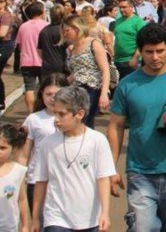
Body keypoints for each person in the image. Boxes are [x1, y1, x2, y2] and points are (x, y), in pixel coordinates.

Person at [107, 23, 166, 232]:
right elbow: (115, 126)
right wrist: (110, 169)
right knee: (142, 227)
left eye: (160, 51)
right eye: (149, 52)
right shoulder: (127, 84)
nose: (155, 57)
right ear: (140, 51)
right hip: (139, 171)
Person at [32, 86, 116, 232]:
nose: (56, 119)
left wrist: (105, 213)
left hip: (90, 218)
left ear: (80, 114)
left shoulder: (97, 140)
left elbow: (103, 178)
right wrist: (34, 218)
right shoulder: (48, 143)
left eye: (62, 114)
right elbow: (41, 181)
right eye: (54, 114)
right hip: (55, 218)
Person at [17, 74, 70, 215]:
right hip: (37, 180)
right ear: (42, 94)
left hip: (65, 181)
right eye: (49, 94)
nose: (53, 98)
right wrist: (19, 179)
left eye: (57, 94)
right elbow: (24, 154)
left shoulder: (74, 119)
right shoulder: (33, 119)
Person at [62, 15, 112, 129]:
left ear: (76, 29)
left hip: (92, 89)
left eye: (67, 30)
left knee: (85, 122)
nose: (65, 34)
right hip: (76, 90)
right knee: (77, 121)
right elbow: (77, 71)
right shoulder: (72, 47)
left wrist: (104, 94)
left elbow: (105, 70)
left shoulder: (94, 44)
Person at [16, 1, 49, 113]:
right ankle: (44, 111)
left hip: (26, 61)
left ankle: (30, 112)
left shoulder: (23, 26)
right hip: (42, 60)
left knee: (29, 88)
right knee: (45, 88)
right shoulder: (45, 25)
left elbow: (19, 45)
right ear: (42, 12)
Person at [0, 124, 30, 232]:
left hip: (9, 227)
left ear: (13, 148)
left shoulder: (18, 171)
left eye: (3, 148)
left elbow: (22, 199)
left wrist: (25, 225)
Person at [113, 0, 146, 80]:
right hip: (118, 60)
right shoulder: (118, 21)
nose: (121, 9)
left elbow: (143, 41)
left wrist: (135, 58)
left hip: (132, 60)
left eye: (124, 7)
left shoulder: (138, 22)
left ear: (131, 7)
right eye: (120, 7)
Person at [0, 0, 20, 110]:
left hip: (4, 46)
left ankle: (1, 100)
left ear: (5, 3)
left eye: (1, 1)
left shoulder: (5, 16)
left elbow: (2, 33)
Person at [38, 4, 68, 76]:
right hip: (62, 66)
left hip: (47, 66)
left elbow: (39, 51)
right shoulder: (65, 31)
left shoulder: (44, 31)